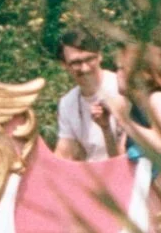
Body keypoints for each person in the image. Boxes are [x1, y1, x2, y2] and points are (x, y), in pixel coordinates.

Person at [53, 26, 127, 161]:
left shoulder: (122, 88)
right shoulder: (67, 103)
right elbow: (64, 154)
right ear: (64, 65)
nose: (85, 68)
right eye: (76, 62)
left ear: (100, 56)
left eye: (89, 59)